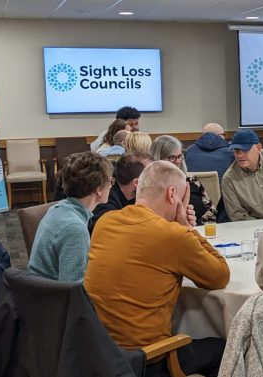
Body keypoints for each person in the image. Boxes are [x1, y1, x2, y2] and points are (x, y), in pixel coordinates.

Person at [85, 161, 229, 377]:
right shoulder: (172, 235)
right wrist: (187, 228)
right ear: (172, 194)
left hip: (101, 353)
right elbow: (220, 275)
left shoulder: (105, 222)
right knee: (228, 348)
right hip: (147, 360)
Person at [28, 152, 112, 282]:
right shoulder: (75, 228)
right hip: (50, 298)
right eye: (110, 181)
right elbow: (73, 288)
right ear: (98, 189)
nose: (111, 186)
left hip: (38, 290)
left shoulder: (59, 208)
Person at [151, 135, 217, 224]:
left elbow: (211, 212)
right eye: (172, 157)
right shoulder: (151, 186)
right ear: (158, 158)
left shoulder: (191, 180)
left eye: (179, 156)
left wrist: (194, 224)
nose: (178, 161)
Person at [89, 152, 153, 233]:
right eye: (152, 176)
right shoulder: (106, 204)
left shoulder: (136, 196)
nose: (157, 180)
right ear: (137, 182)